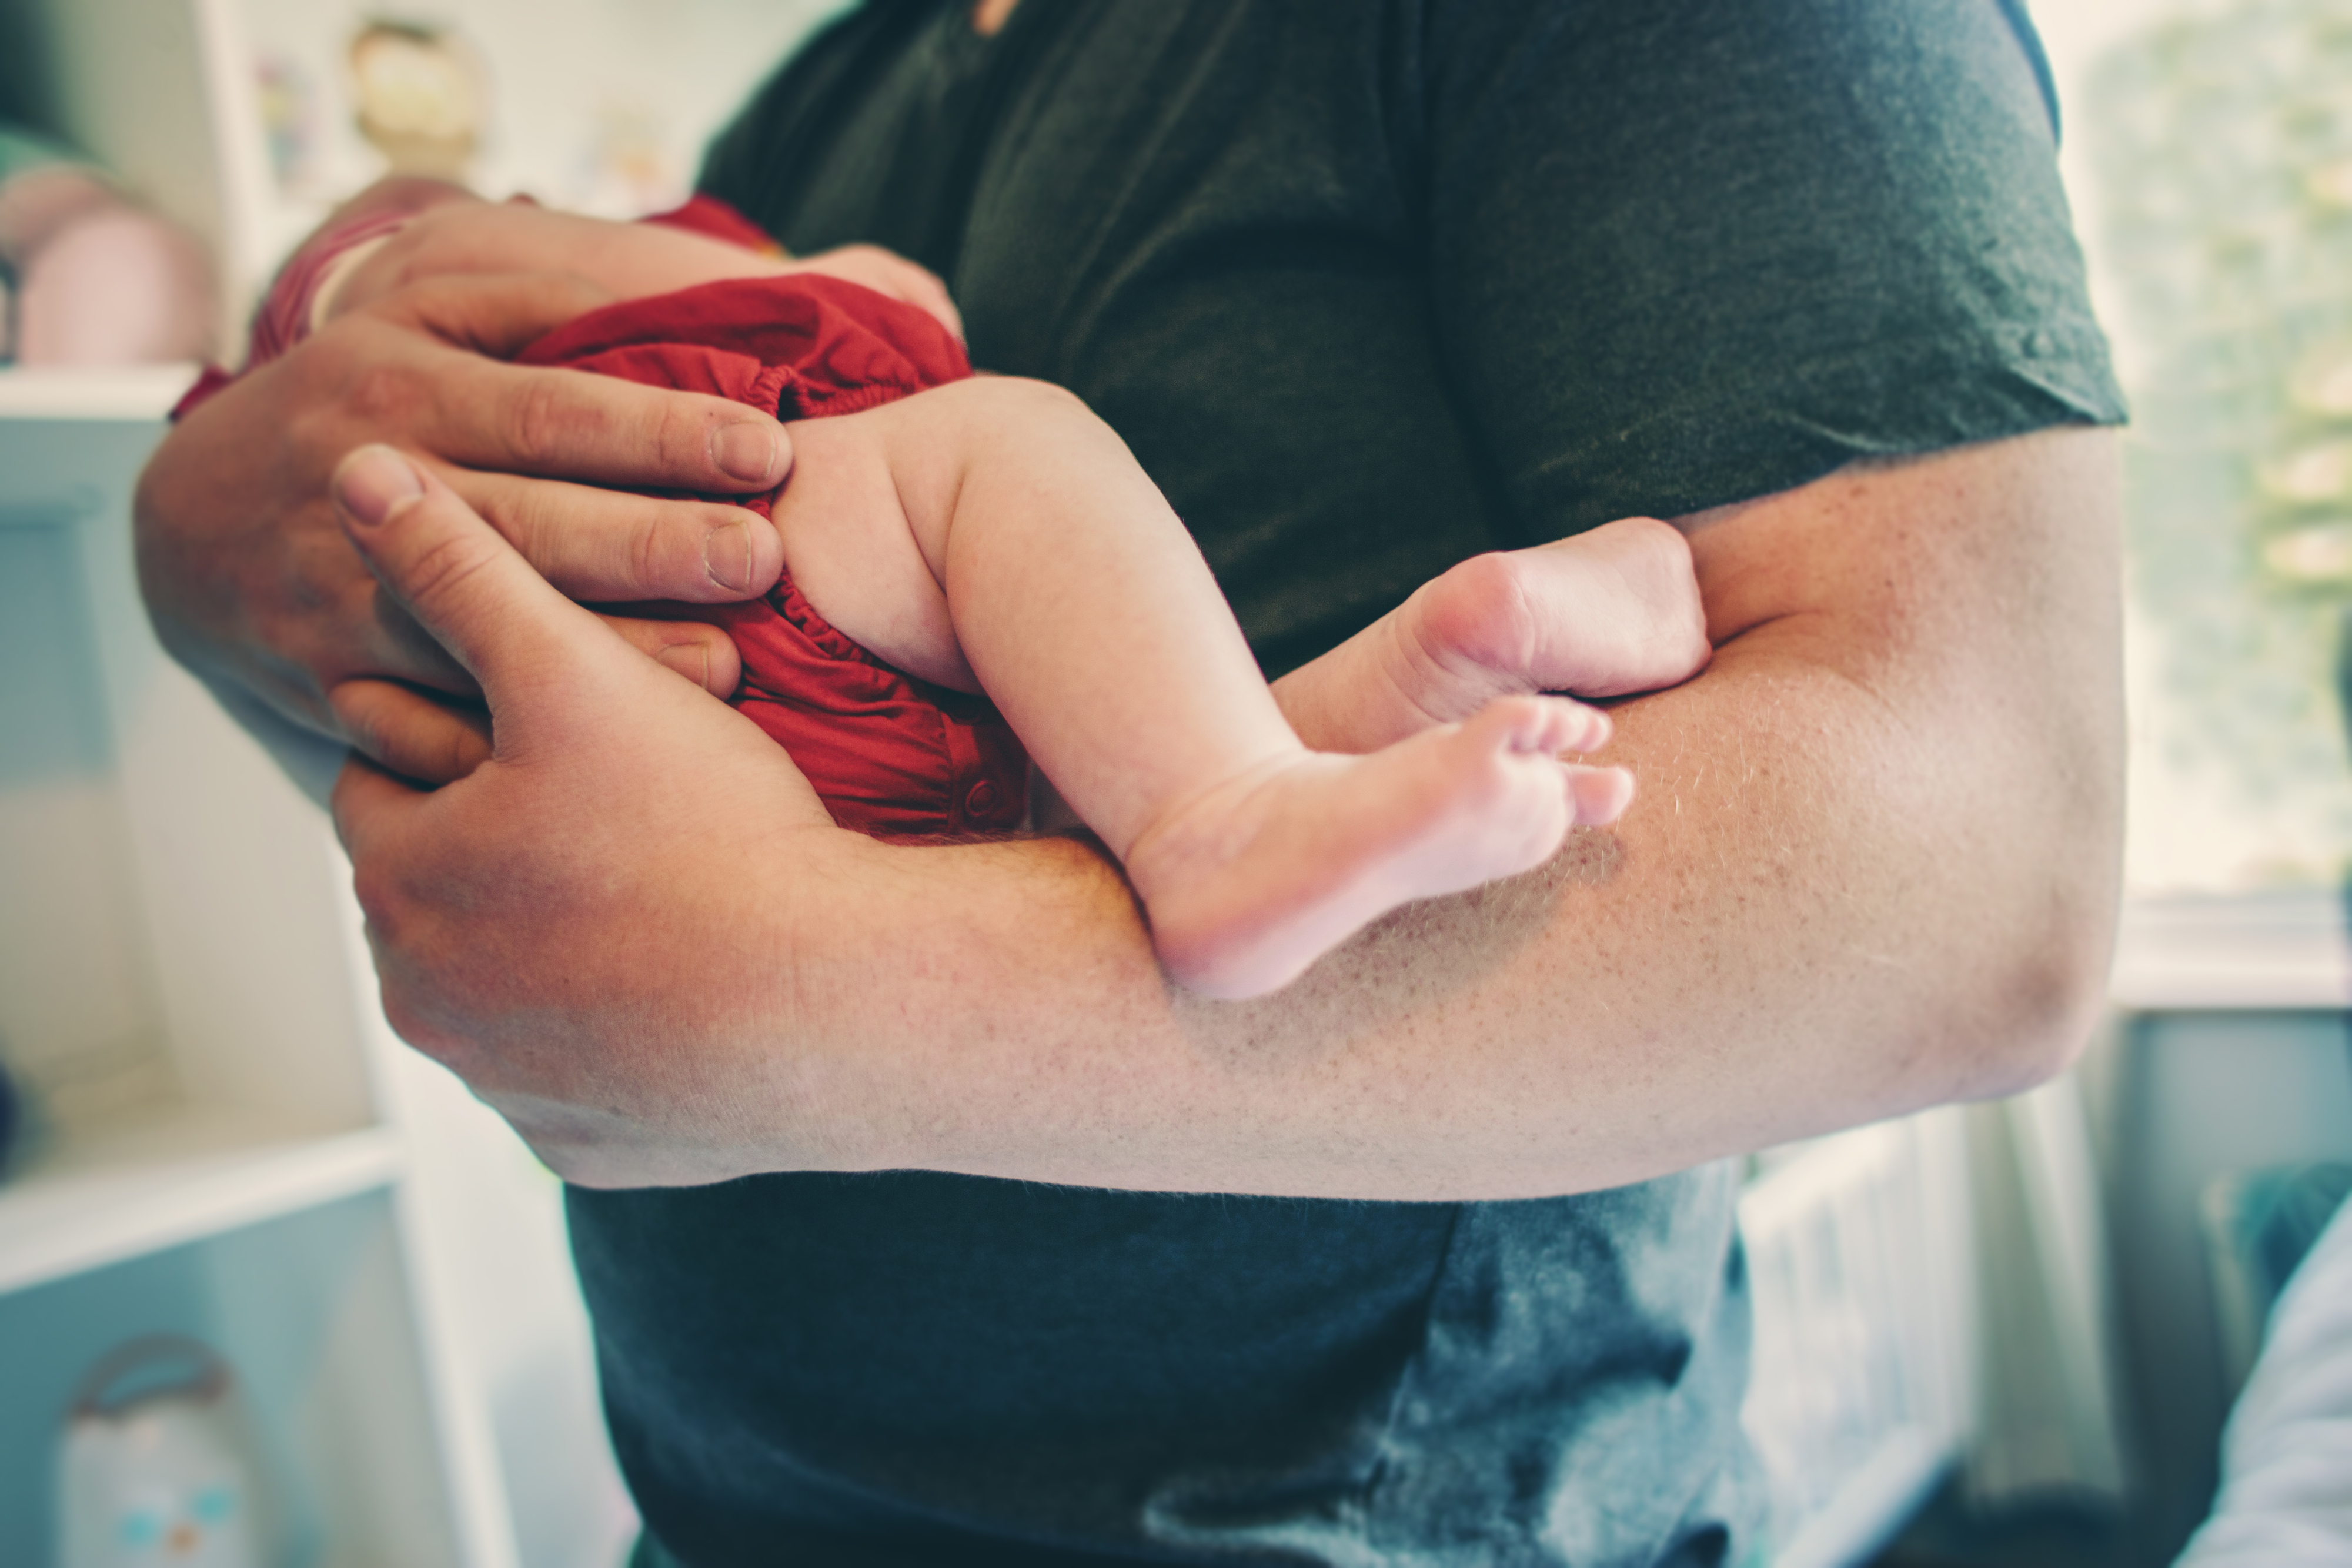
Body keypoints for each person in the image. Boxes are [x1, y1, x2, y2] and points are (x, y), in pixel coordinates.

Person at [134, 1, 2129, 1563]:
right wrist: (200, 552)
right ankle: (1285, 766)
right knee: (1029, 583)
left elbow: (1984, 893)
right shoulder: (822, 96)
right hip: (723, 1514)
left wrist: (807, 990)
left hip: (1382, 1532)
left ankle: (1268, 782)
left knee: (1039, 632)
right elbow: (542, 830)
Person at [239, 182, 1708, 1000]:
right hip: (741, 596)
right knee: (998, 454)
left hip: (648, 799)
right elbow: (880, 295)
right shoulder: (440, 277)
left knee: (1070, 807)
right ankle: (1237, 808)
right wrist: (819, 271)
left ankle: (1378, 714)